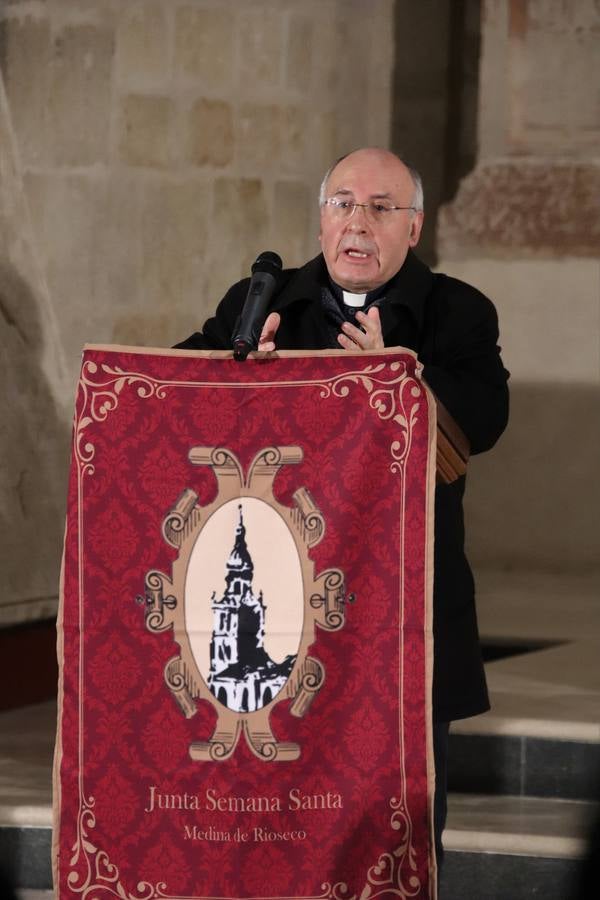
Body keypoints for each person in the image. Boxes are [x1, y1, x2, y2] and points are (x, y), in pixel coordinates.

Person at [176, 147, 510, 877]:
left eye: (381, 208)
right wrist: (229, 371)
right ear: (321, 217)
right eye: (342, 204)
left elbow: (485, 418)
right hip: (285, 607)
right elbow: (170, 394)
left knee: (401, 825)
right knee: (274, 819)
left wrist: (404, 379)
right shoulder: (258, 303)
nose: (357, 222)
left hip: (399, 610)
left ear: (413, 227)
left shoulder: (456, 311)